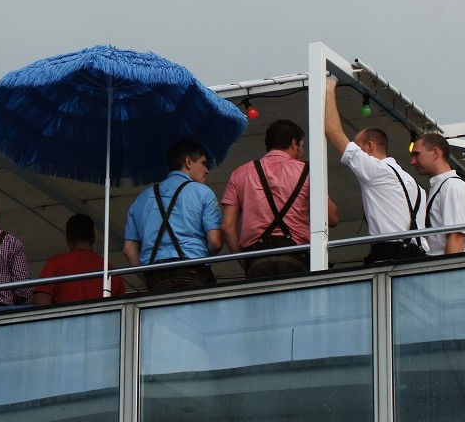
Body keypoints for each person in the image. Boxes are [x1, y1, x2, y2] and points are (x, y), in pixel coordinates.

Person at [323, 78, 426, 263]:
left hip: (390, 255)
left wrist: (329, 88)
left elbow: (333, 131)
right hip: (418, 255)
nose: (353, 148)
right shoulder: (414, 184)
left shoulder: (375, 170)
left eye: (357, 145)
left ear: (370, 146)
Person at [221, 116, 339, 276]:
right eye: (302, 146)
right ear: (293, 143)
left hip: (256, 258)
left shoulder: (240, 173)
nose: (302, 153)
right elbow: (332, 218)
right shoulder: (309, 170)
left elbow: (227, 227)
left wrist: (246, 261)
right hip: (296, 256)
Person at [123, 139, 222, 290]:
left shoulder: (140, 199)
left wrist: (147, 274)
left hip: (155, 276)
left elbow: (129, 250)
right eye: (203, 163)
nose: (207, 170)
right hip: (194, 270)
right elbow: (215, 242)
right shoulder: (203, 192)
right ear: (188, 162)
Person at [410, 132, 465, 256]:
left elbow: (457, 237)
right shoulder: (443, 186)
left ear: (435, 153)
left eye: (417, 154)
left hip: (450, 271)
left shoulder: (453, 187)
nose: (412, 161)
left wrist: (447, 273)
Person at [34, 213, 125, 305]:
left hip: (66, 318)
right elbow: (122, 309)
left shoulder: (54, 264)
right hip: (101, 319)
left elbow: (40, 304)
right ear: (93, 238)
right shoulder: (110, 271)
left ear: (68, 239)